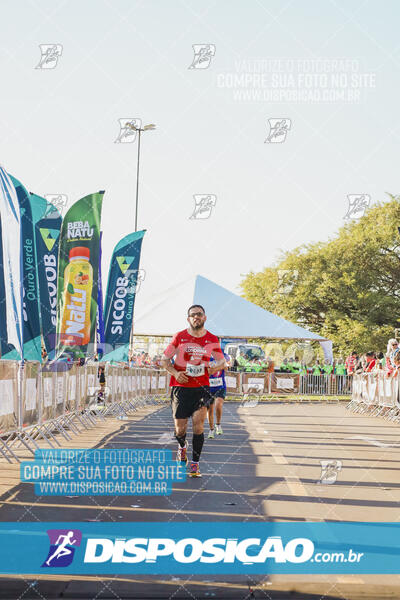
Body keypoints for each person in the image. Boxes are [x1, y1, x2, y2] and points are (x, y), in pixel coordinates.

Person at [161, 304, 225, 478]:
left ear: (204, 317)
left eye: (199, 314)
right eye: (193, 315)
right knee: (180, 429)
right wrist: (175, 372)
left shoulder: (212, 338)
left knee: (198, 425)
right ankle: (182, 447)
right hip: (180, 388)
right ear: (188, 318)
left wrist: (212, 369)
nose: (196, 317)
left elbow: (222, 362)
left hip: (201, 388)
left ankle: (195, 464)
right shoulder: (179, 337)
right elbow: (165, 360)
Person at [207, 353, 230, 438]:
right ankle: (211, 429)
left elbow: (226, 368)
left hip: (220, 386)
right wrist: (220, 366)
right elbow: (208, 372)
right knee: (210, 410)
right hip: (209, 387)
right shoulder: (205, 356)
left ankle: (218, 424)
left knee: (218, 405)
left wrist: (215, 368)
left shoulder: (223, 355)